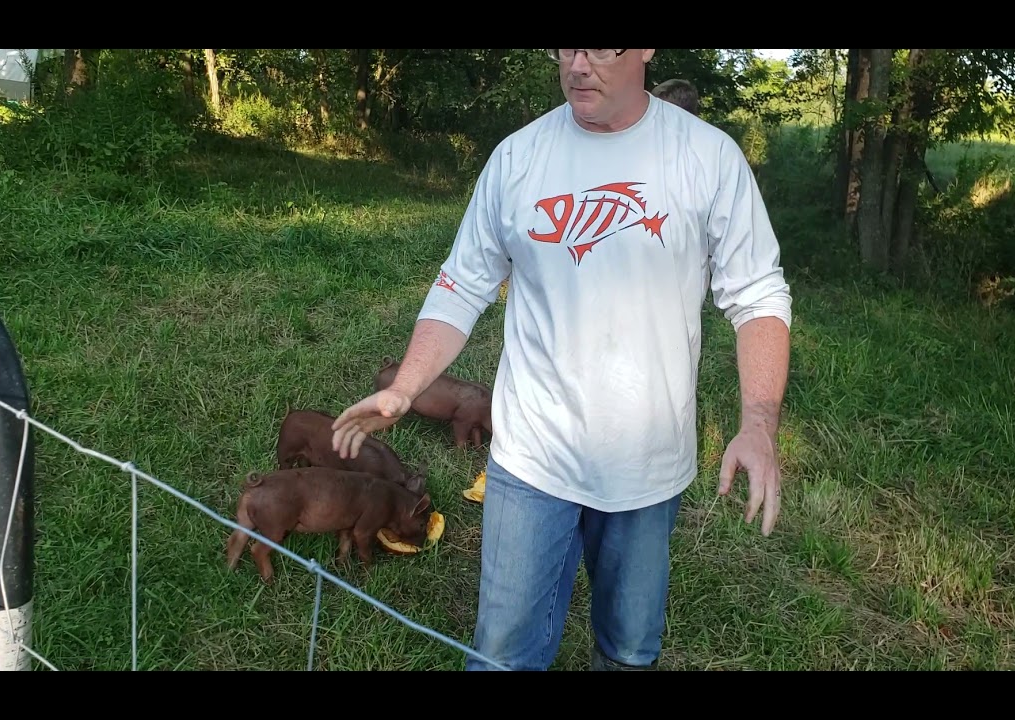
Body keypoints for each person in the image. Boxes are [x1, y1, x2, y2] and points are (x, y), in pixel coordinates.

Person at [331, 48, 792, 672]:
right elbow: (462, 285)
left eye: (600, 48)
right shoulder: (519, 158)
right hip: (530, 460)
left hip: (647, 468)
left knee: (629, 649)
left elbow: (758, 295)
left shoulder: (706, 158)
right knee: (502, 657)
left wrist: (758, 424)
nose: (577, 64)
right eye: (564, 47)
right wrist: (406, 386)